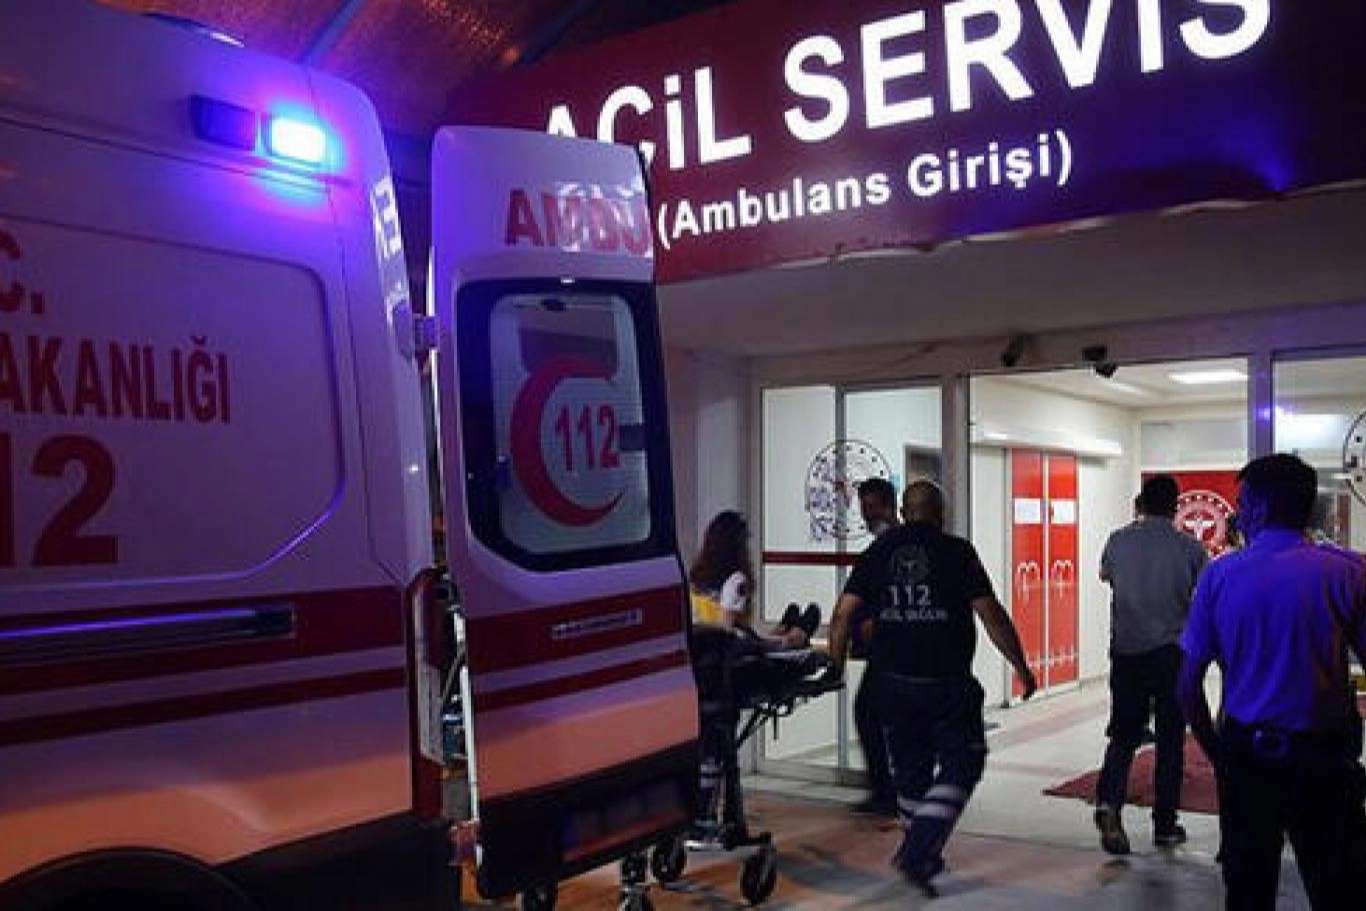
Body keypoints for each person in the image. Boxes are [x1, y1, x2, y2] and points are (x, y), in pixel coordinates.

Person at [825, 480, 1037, 894]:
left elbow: (841, 615)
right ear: (941, 514)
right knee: (965, 760)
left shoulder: (877, 553)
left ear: (904, 512)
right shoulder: (957, 551)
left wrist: (834, 666)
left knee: (910, 774)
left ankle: (922, 851)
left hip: (892, 684)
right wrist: (1021, 666)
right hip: (946, 684)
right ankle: (918, 848)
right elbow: (990, 614)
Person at [1178, 454, 1366, 909]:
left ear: (1259, 507)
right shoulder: (1348, 572)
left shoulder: (1220, 575)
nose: (1238, 514)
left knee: (1248, 891)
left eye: (1242, 503)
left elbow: (1187, 685)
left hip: (1248, 757)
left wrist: (1219, 754)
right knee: (1339, 889)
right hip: (1325, 759)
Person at [1093, 474, 1207, 854]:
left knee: (1124, 734)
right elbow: (1202, 594)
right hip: (1171, 653)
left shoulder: (1118, 540)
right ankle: (1165, 825)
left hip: (1126, 651)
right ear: (1175, 507)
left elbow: (1106, 575)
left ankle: (1109, 803)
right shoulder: (1190, 548)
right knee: (1171, 741)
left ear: (1141, 502)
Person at [688, 510, 818, 648]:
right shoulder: (736, 581)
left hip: (701, 645)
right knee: (812, 614)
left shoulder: (695, 577)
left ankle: (783, 629)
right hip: (733, 648)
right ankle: (791, 636)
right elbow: (727, 630)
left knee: (791, 613)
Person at [849, 477, 900, 816]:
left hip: (889, 651)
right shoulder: (885, 548)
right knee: (876, 716)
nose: (866, 515)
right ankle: (890, 789)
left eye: (871, 507)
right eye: (863, 508)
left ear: (888, 506)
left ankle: (887, 792)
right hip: (887, 650)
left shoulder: (885, 550)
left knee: (868, 713)